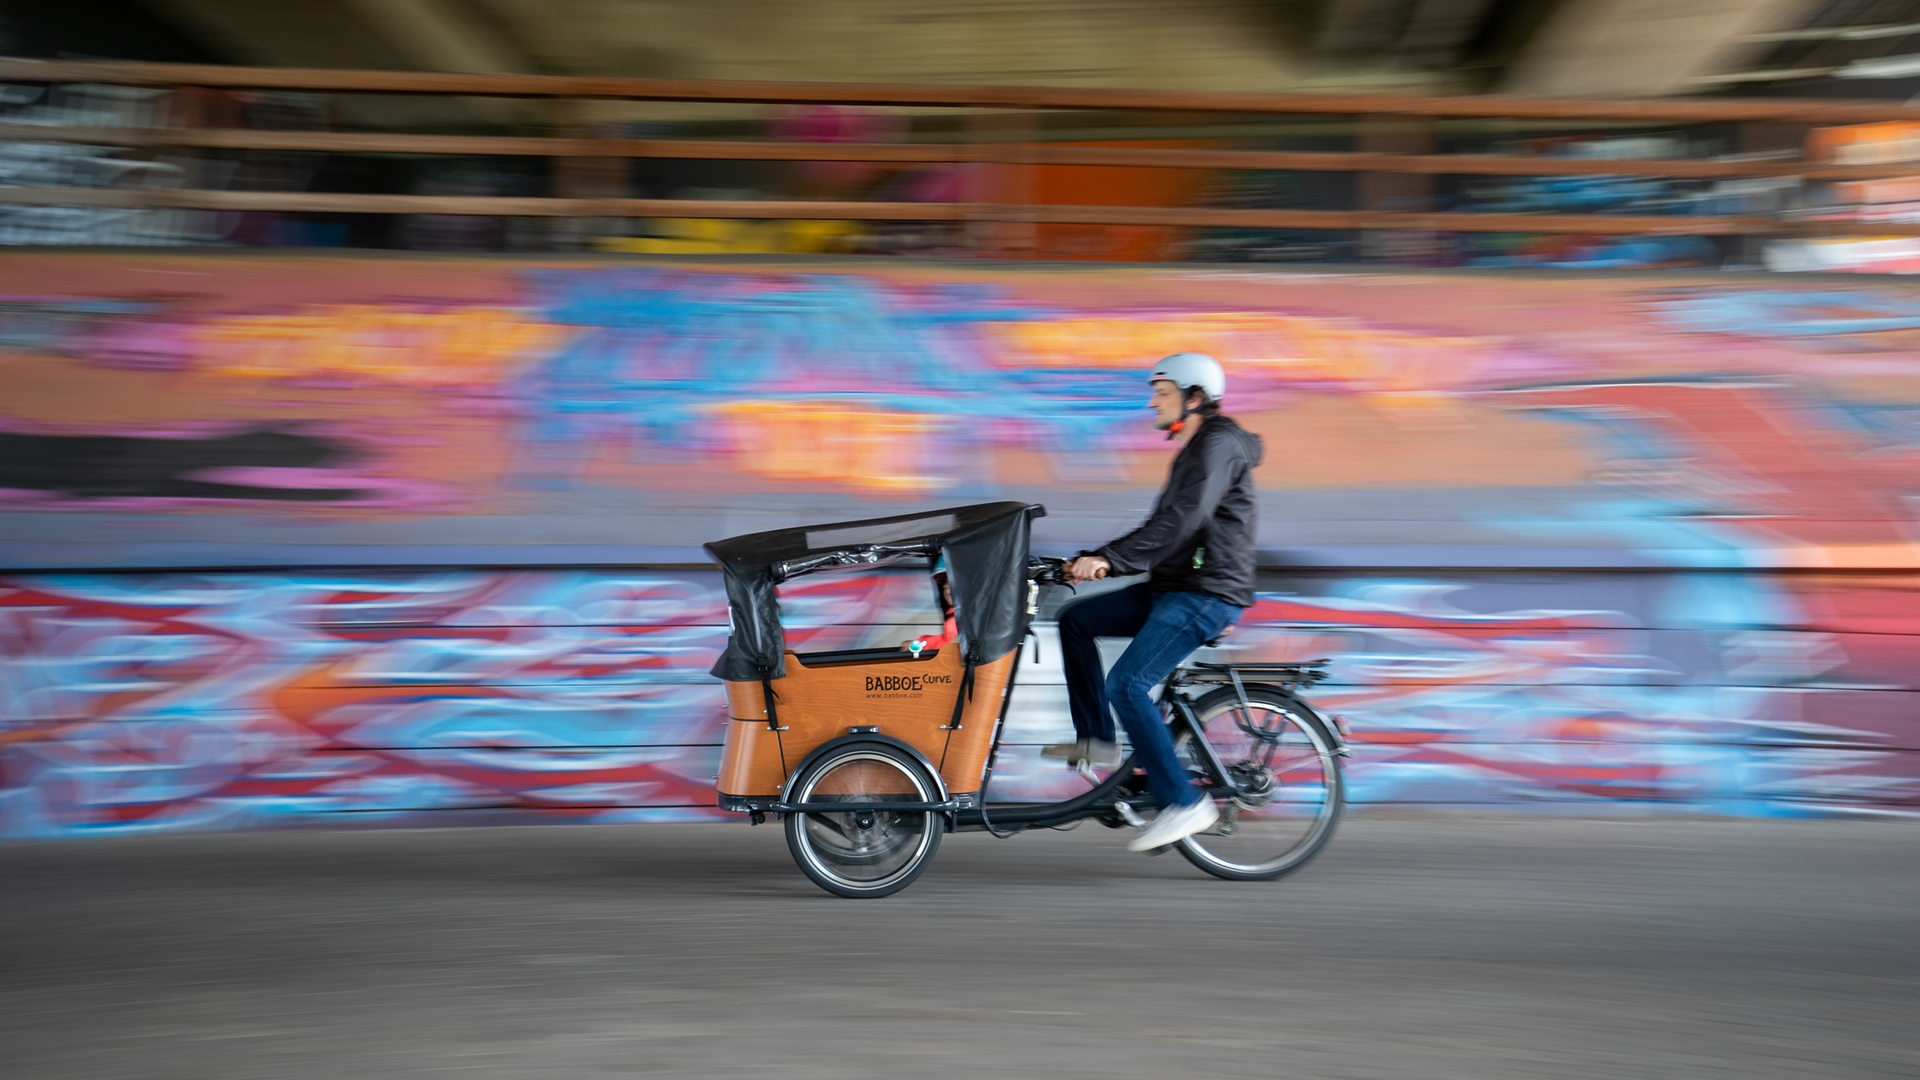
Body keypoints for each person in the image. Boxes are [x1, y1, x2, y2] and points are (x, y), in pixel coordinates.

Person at [1047, 352, 1264, 852]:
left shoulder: (1217, 445)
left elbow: (1181, 523)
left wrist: (1109, 562)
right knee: (1076, 621)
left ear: (1194, 398)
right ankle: (1096, 739)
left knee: (1127, 684)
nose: (1152, 402)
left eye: (1161, 393)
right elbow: (1163, 529)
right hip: (1175, 587)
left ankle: (1185, 803)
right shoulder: (1196, 452)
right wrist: (1095, 557)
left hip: (1206, 592)